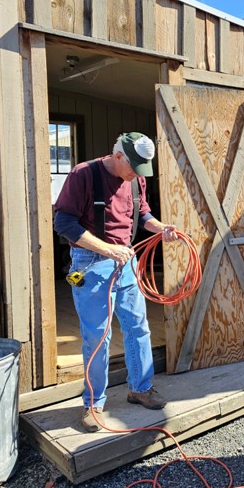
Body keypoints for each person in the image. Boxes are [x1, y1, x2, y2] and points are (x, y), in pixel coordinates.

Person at [54, 132, 178, 432]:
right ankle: (93, 403)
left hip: (126, 262)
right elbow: (63, 222)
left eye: (141, 169)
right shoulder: (84, 174)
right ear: (118, 155)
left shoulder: (136, 179)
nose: (136, 174)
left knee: (138, 327)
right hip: (91, 263)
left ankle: (141, 388)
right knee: (98, 336)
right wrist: (107, 249)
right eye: (133, 166)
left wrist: (160, 229)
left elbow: (143, 212)